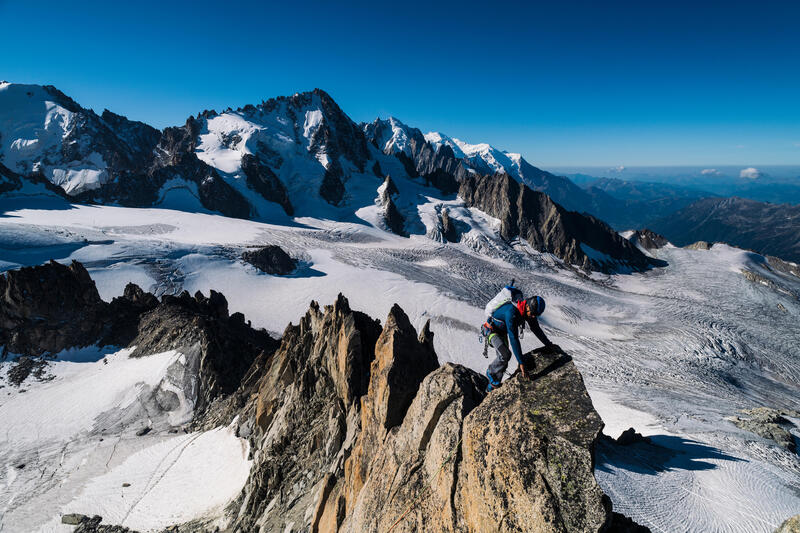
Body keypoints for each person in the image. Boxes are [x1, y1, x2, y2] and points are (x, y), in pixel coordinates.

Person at [484, 287, 556, 391]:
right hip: (492, 331)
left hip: (502, 332)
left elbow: (536, 329)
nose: (532, 317)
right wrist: (521, 362)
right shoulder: (511, 313)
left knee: (504, 359)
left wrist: (548, 344)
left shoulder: (528, 311)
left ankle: (491, 388)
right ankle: (491, 373)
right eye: (532, 314)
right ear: (527, 307)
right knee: (505, 355)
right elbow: (513, 338)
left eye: (535, 315)